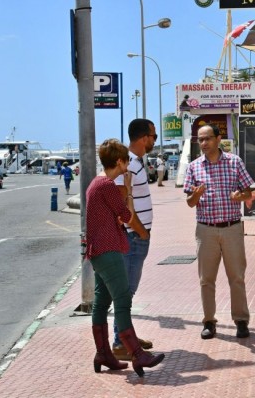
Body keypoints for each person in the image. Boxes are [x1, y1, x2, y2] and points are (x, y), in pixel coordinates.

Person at [86, 139, 164, 377]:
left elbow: (116, 216)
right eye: (126, 160)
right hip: (109, 251)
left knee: (101, 302)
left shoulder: (96, 183)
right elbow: (126, 215)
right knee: (122, 300)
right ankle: (136, 354)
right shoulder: (107, 185)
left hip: (98, 251)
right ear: (119, 161)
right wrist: (128, 191)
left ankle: (104, 354)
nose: (128, 165)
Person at [184, 124, 254, 340]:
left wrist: (240, 197)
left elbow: (248, 192)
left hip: (232, 228)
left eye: (207, 139)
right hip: (206, 230)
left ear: (218, 138)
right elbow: (189, 202)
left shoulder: (235, 162)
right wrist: (196, 195)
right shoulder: (194, 167)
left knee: (237, 277)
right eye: (200, 140)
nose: (203, 143)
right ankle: (209, 322)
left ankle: (241, 321)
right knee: (206, 279)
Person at [111, 119, 157, 359]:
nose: (154, 141)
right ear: (143, 138)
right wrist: (140, 231)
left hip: (137, 236)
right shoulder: (127, 164)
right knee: (125, 292)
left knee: (129, 291)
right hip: (132, 237)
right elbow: (121, 205)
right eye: (154, 136)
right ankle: (120, 342)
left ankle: (126, 335)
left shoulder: (137, 163)